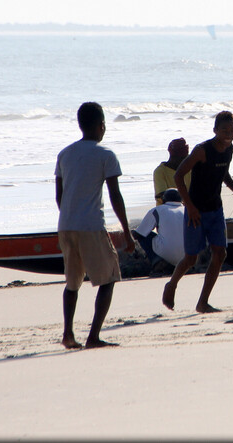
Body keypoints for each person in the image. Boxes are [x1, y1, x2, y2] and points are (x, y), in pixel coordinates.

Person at [55, 102, 135, 349]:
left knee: (72, 283)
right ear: (102, 126)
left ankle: (68, 334)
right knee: (108, 278)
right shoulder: (105, 155)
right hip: (91, 225)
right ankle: (93, 337)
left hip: (66, 225)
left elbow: (60, 195)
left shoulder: (65, 154)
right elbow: (115, 196)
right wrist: (127, 232)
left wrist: (70, 215)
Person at [162, 111, 233, 313]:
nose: (229, 133)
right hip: (196, 211)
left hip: (215, 209)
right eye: (224, 129)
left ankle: (202, 302)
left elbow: (223, 171)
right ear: (215, 130)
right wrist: (190, 207)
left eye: (232, 129)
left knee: (220, 253)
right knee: (191, 259)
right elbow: (178, 176)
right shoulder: (202, 150)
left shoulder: (229, 148)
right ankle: (172, 284)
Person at [133, 188, 186, 273]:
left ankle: (157, 261)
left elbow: (138, 234)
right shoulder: (188, 210)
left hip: (167, 254)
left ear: (164, 200)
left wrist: (131, 233)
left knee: (144, 235)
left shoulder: (157, 210)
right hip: (188, 256)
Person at [153, 138, 191, 205]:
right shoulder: (160, 171)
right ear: (174, 157)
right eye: (184, 158)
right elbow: (162, 196)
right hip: (166, 210)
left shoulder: (189, 168)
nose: (186, 161)